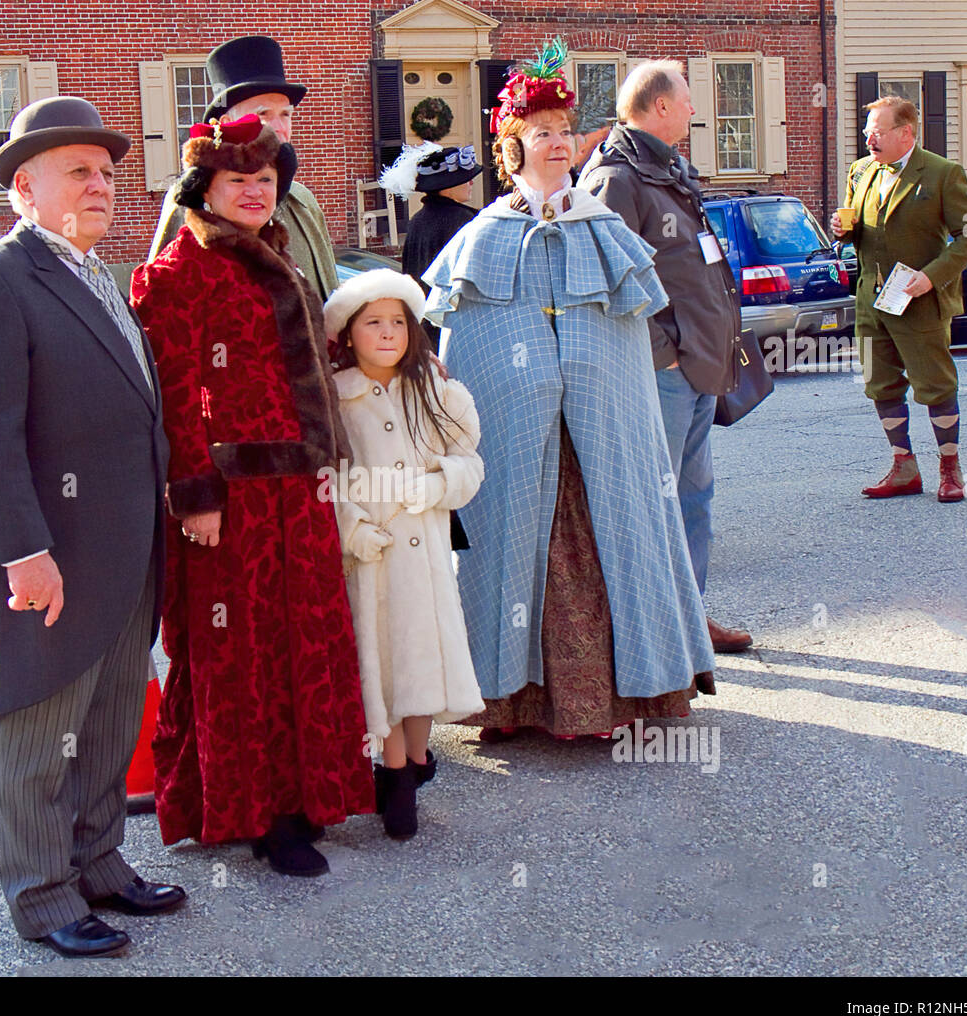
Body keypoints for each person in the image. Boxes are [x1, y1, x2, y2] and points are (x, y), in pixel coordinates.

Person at [0, 96, 185, 959]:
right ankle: (42, 897)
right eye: (78, 170)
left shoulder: (99, 278)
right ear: (23, 189)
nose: (101, 184)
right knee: (42, 733)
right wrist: (23, 553)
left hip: (124, 553)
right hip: (50, 557)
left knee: (113, 723)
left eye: (108, 171)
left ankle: (99, 863)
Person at [423, 41, 716, 742]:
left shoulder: (604, 231)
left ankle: (626, 694)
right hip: (518, 449)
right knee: (509, 536)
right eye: (540, 133)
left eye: (563, 131)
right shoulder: (483, 240)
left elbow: (623, 357)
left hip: (600, 451)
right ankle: (509, 698)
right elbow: (469, 358)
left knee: (619, 528)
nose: (558, 144)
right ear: (511, 147)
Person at [130, 114, 374, 877]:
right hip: (232, 502)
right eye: (239, 180)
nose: (255, 192)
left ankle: (309, 795)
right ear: (205, 187)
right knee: (245, 655)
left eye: (265, 181)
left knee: (307, 642)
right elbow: (177, 392)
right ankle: (259, 813)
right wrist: (195, 494)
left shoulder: (279, 257)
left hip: (297, 490)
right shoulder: (178, 271)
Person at [579, 60, 753, 653]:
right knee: (654, 501)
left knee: (693, 497)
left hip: (700, 364)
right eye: (685, 101)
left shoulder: (669, 168)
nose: (694, 111)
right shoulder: (616, 177)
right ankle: (650, 634)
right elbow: (605, 281)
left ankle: (688, 619)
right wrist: (665, 354)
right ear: (658, 107)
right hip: (665, 372)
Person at [324, 269, 485, 839]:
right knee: (383, 665)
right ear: (348, 333)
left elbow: (470, 462)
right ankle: (392, 776)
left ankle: (416, 758)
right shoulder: (335, 400)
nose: (388, 332)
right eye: (373, 322)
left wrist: (437, 484)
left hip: (426, 556)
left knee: (420, 659)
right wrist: (352, 527)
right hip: (374, 558)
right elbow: (329, 476)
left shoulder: (438, 394)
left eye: (398, 321)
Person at [830, 95, 967, 503]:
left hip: (919, 301)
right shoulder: (861, 171)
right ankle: (904, 466)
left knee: (935, 385)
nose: (868, 140)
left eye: (877, 132)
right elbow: (859, 227)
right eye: (867, 132)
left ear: (906, 132)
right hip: (870, 300)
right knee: (880, 385)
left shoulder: (942, 174)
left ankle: (949, 469)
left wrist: (930, 278)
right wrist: (845, 231)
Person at [147, 35, 339, 300]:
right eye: (264, 115)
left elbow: (331, 299)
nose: (280, 128)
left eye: (286, 114)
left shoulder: (303, 202)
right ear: (227, 122)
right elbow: (159, 304)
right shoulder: (190, 204)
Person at [383, 142, 483, 294]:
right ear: (448, 186)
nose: (471, 182)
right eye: (465, 179)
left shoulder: (417, 220)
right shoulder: (462, 220)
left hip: (420, 310)